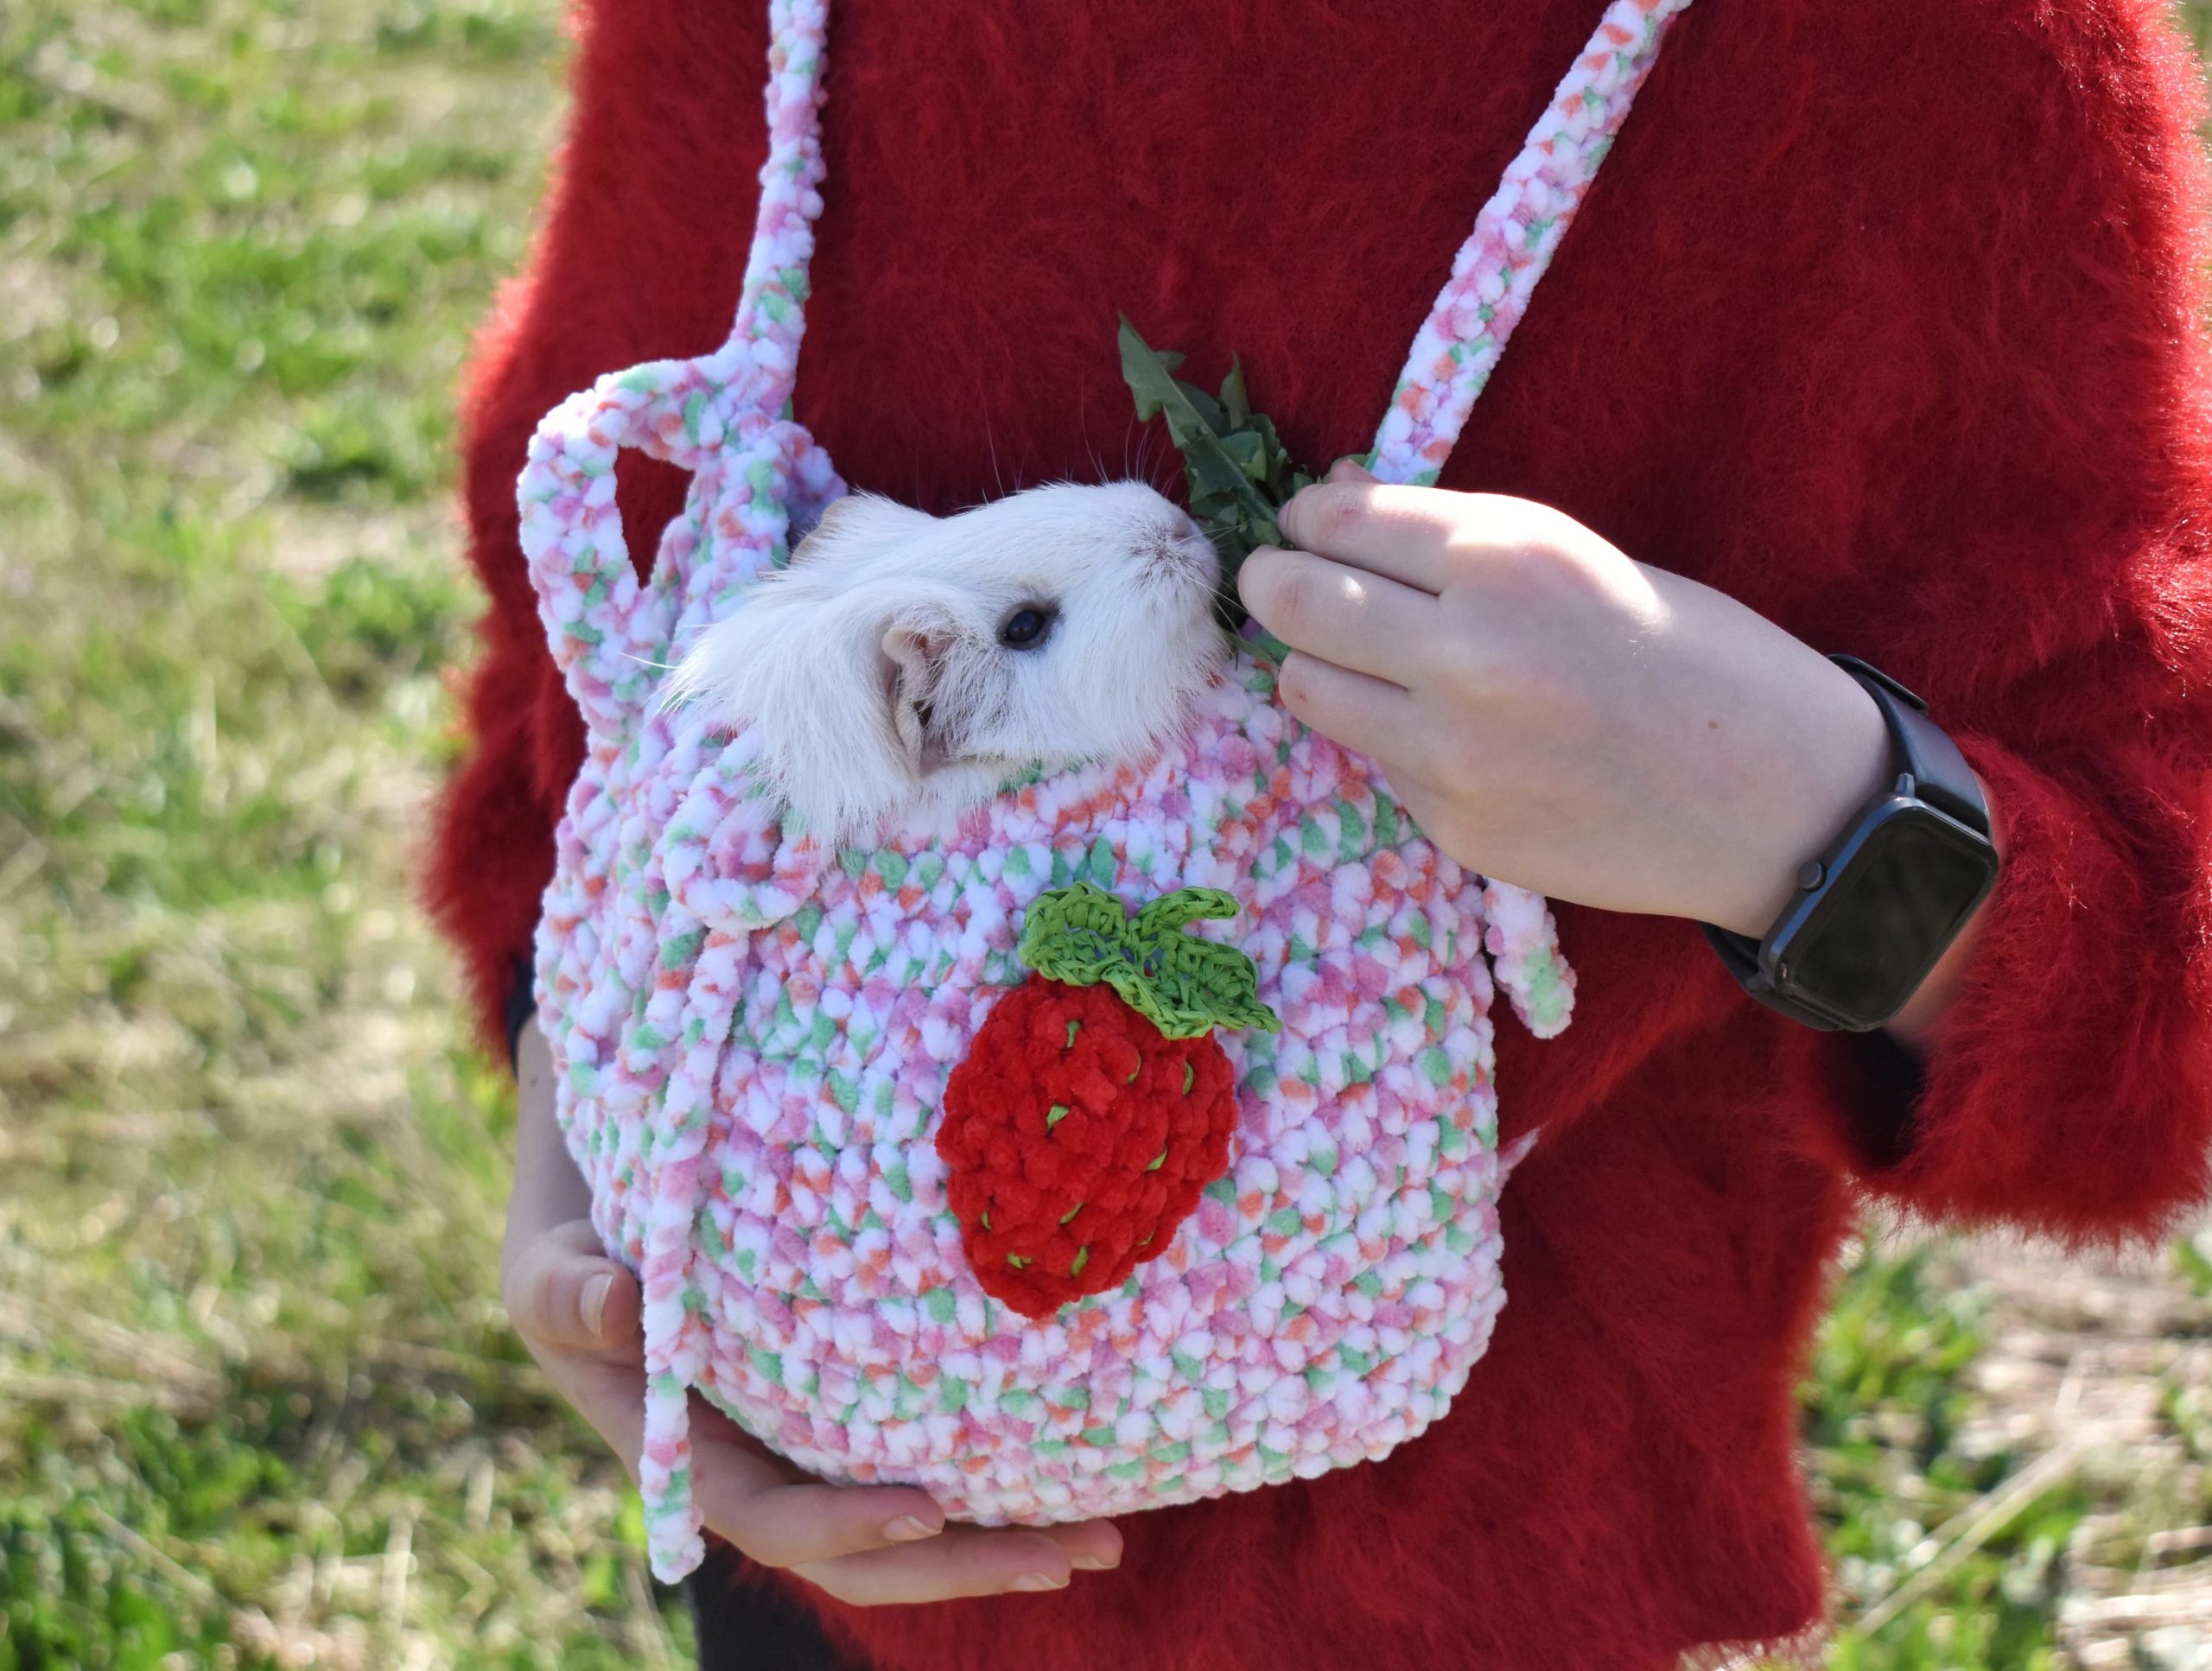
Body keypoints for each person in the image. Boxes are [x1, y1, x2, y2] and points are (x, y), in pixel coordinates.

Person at [431, 1, 2212, 1665]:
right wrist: (586, 1180)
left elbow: (2156, 950)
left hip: (1480, 1575)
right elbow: (601, 672)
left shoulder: (1914, 57)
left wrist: (1807, 809)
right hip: (816, 1513)